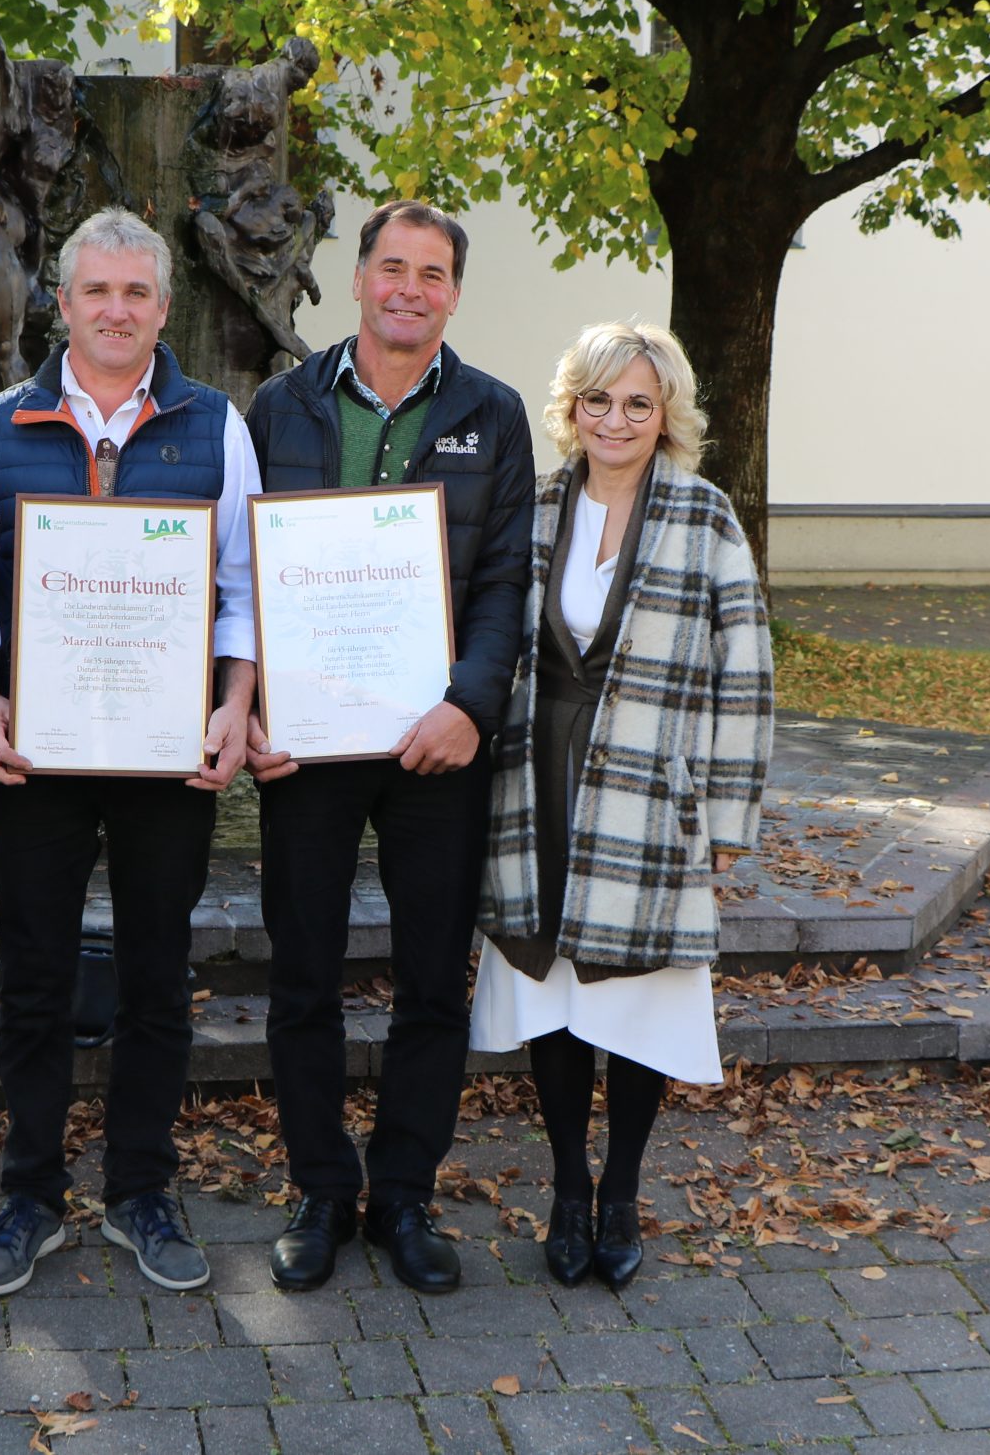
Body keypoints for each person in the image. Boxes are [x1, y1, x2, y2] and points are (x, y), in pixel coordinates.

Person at [0, 207, 259, 1296]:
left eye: (136, 293)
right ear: (63, 303)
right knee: (34, 977)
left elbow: (242, 589)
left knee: (157, 977)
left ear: (164, 309)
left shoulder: (216, 425)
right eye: (97, 291)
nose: (116, 311)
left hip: (166, 750)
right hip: (38, 749)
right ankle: (29, 1194)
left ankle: (140, 1189)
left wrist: (235, 706)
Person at [244, 200, 535, 1294]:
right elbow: (241, 571)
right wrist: (252, 703)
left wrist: (470, 705)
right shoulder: (281, 404)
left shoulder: (494, 413)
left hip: (438, 746)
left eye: (433, 272)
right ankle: (321, 1190)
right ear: (359, 276)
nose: (410, 288)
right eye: (393, 267)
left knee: (430, 983)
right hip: (309, 745)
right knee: (302, 977)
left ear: (454, 293)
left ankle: (404, 1193)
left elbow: (505, 578)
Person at [469, 322, 772, 1290]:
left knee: (637, 998)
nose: (616, 419)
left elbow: (746, 673)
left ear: (666, 414)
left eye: (638, 402)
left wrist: (727, 818)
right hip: (538, 779)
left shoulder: (704, 516)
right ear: (572, 407)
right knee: (554, 992)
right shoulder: (535, 505)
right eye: (597, 399)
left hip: (649, 788)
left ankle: (622, 1191)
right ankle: (568, 1186)